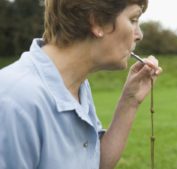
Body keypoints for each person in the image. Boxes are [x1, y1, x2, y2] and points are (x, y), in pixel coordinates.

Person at [0, 0, 162, 168]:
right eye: (133, 19)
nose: (139, 35)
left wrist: (130, 101)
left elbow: (94, 163)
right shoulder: (14, 100)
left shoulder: (76, 85)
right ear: (97, 21)